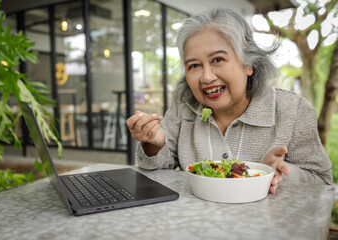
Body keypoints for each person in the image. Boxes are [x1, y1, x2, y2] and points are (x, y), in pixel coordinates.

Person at [126, 8, 333, 194]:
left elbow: (323, 183)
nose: (206, 77)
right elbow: (158, 173)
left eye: (217, 60)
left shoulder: (292, 110)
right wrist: (154, 143)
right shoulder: (184, 106)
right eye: (194, 66)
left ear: (248, 64)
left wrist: (278, 174)